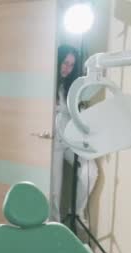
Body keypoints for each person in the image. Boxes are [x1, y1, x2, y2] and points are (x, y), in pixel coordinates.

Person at [50, 44, 98, 223]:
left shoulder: (69, 88)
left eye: (71, 65)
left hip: (70, 139)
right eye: (65, 63)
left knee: (90, 170)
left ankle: (76, 213)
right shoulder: (47, 84)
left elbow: (77, 114)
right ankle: (54, 226)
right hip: (52, 142)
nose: (67, 68)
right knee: (54, 191)